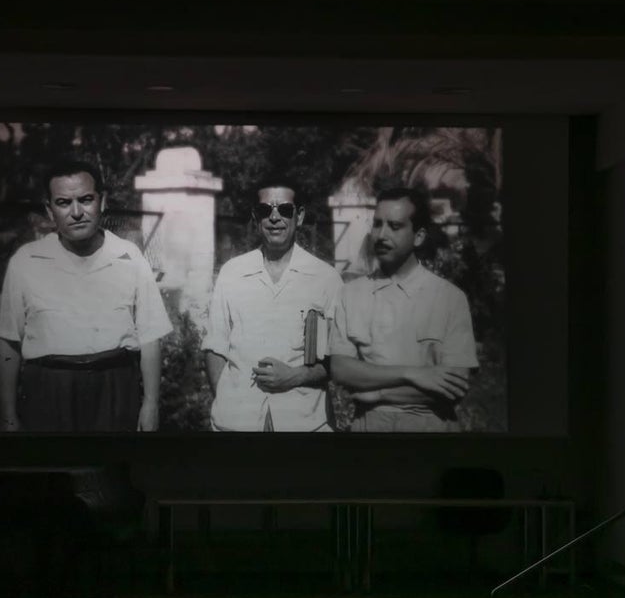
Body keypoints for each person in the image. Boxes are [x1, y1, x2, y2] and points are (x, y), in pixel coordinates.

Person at [0, 159, 172, 432]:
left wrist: (150, 404)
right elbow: (8, 341)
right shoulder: (26, 261)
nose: (77, 212)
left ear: (102, 202)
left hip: (115, 389)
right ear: (49, 210)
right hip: (48, 391)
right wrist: (8, 417)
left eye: (86, 199)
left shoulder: (128, 256)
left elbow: (150, 337)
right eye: (64, 203)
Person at [329, 186, 478, 432]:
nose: (381, 235)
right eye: (377, 224)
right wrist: (414, 374)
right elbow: (340, 370)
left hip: (431, 426)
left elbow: (455, 386)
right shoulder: (350, 294)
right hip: (368, 427)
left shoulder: (449, 298)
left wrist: (375, 393)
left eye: (395, 226)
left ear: (418, 236)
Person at [202, 182, 343, 431]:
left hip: (304, 423)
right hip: (237, 421)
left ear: (299, 216)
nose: (275, 217)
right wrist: (226, 400)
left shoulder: (325, 279)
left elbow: (339, 358)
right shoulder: (232, 273)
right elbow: (215, 346)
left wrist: (295, 376)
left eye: (285, 210)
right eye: (266, 210)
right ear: (256, 218)